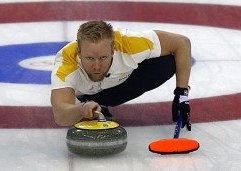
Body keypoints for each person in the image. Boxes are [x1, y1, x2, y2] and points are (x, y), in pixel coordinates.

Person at [50, 20, 191, 131]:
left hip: (119, 88)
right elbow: (60, 115)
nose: (97, 66)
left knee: (167, 63)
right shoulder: (66, 63)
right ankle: (93, 103)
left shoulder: (128, 43)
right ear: (79, 52)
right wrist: (82, 109)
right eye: (90, 58)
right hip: (88, 97)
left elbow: (182, 43)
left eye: (103, 57)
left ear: (113, 50)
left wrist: (182, 95)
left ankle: (102, 102)